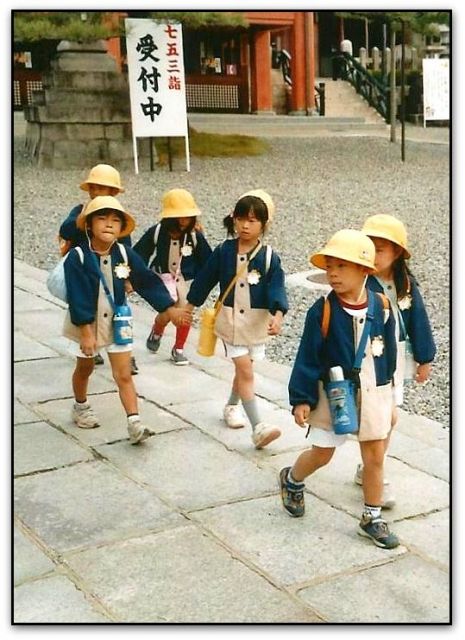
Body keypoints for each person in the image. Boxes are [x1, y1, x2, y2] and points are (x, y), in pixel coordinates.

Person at [280, 229, 400, 549]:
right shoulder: (322, 311)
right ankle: (293, 479)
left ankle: (371, 517)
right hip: (332, 393)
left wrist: (390, 397)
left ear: (365, 270)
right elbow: (307, 357)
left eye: (341, 266)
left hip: (374, 391)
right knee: (323, 453)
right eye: (329, 266)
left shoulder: (382, 307)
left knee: (374, 456)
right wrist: (301, 399)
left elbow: (390, 353)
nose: (332, 273)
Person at [63, 195, 191, 444]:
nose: (109, 224)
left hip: (116, 321)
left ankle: (134, 423)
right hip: (86, 323)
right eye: (101, 218)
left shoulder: (124, 252)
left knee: (123, 374)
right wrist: (86, 331)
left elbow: (146, 280)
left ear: (122, 227)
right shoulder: (77, 256)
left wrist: (169, 307)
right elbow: (77, 296)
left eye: (115, 220)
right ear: (89, 224)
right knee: (85, 368)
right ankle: (80, 406)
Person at [186, 190, 288, 449]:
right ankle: (258, 427)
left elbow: (277, 287)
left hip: (256, 323)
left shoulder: (268, 257)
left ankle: (232, 405)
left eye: (252, 220)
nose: (245, 225)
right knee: (245, 369)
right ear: (233, 220)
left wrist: (278, 314)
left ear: (264, 224)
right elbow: (205, 279)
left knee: (244, 370)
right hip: (230, 322)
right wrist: (189, 305)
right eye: (241, 218)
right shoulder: (223, 251)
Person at [352, 214, 436, 506]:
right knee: (384, 417)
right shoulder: (360, 282)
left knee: (389, 417)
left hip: (398, 358)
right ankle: (377, 470)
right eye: (370, 247)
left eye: (381, 248)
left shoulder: (406, 284)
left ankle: (371, 466)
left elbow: (419, 321)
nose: (374, 255)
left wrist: (424, 358)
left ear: (397, 252)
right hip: (371, 359)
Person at [59, 163, 139, 375]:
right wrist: (82, 217)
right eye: (93, 188)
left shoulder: (116, 216)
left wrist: (128, 276)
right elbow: (65, 230)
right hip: (84, 269)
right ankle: (91, 345)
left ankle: (123, 350)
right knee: (86, 306)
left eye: (101, 188)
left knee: (117, 309)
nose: (95, 192)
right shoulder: (81, 210)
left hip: (111, 269)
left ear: (113, 192)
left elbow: (125, 247)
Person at [133, 188, 212, 366]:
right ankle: (157, 329)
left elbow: (208, 260)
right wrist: (135, 277)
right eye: (179, 217)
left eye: (187, 217)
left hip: (184, 280)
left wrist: (204, 281)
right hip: (162, 276)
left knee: (184, 311)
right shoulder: (157, 232)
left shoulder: (194, 236)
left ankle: (178, 348)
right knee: (166, 313)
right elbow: (139, 254)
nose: (183, 221)